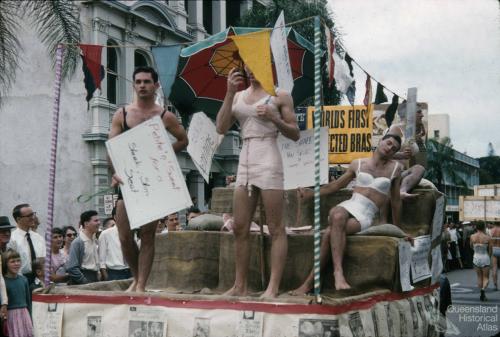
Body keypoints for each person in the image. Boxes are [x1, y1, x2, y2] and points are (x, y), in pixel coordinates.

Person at [216, 65, 300, 298]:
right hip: (246, 154)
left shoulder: (280, 95)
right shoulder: (239, 95)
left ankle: (272, 287)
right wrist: (229, 92)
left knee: (276, 227)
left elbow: (295, 133)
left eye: (257, 64)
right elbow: (221, 127)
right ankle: (239, 285)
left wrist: (274, 117)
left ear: (269, 64)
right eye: (247, 67)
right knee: (240, 226)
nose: (252, 71)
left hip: (269, 153)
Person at [109, 66, 188, 293]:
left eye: (146, 81)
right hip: (128, 181)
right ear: (134, 85)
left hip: (153, 181)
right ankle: (137, 277)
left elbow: (183, 140)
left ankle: (141, 284)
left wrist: (162, 155)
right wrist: (114, 171)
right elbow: (111, 147)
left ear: (155, 85)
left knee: (147, 234)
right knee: (124, 235)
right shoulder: (122, 114)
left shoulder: (164, 115)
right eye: (138, 82)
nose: (142, 85)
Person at [291, 134, 403, 293]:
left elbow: (396, 201)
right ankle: (338, 274)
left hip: (366, 216)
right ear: (380, 141)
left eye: (394, 148)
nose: (390, 148)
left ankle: (309, 283)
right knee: (337, 215)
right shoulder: (357, 163)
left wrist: (398, 231)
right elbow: (334, 186)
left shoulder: (396, 169)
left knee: (330, 232)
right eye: (388, 143)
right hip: (350, 205)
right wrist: (310, 193)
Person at [7, 204, 46, 285]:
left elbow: (42, 260)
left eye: (33, 214)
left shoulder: (38, 238)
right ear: (18, 219)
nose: (33, 218)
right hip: (20, 280)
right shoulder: (12, 239)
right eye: (29, 215)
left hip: (39, 280)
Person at [2, 249, 33, 337]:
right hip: (10, 316)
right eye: (12, 261)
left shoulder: (24, 280)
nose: (16, 264)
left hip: (24, 314)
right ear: (6, 264)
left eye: (18, 260)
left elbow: (28, 301)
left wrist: (30, 317)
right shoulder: (3, 282)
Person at [66, 210, 100, 285]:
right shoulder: (78, 242)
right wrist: (84, 281)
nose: (99, 223)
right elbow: (72, 267)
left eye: (99, 220)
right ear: (86, 223)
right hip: (84, 279)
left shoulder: (94, 240)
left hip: (94, 279)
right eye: (96, 221)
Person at [98, 209, 131, 281]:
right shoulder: (105, 234)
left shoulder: (131, 232)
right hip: (114, 273)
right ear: (115, 217)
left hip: (130, 271)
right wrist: (106, 277)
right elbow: (101, 260)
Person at [470, 222, 491, 301]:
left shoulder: (472, 236)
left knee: (479, 277)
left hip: (476, 257)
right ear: (483, 227)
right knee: (486, 277)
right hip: (485, 257)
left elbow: (471, 246)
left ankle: (481, 292)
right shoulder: (488, 237)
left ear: (476, 227)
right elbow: (490, 250)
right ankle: (483, 290)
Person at [490, 222, 499, 291]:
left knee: (494, 267)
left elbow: (490, 243)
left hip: (494, 249)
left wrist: (490, 252)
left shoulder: (492, 230)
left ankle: (495, 285)